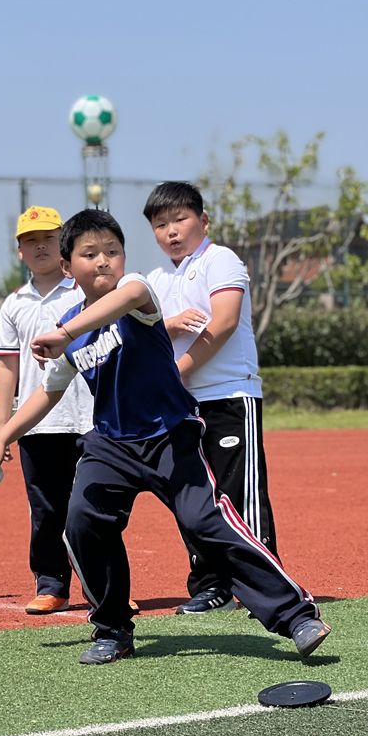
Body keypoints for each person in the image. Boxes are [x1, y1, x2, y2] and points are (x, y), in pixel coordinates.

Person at [0, 209, 330, 665]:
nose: (103, 260)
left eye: (112, 251)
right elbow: (48, 393)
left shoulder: (136, 293)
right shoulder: (73, 332)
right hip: (111, 445)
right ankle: (112, 628)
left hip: (170, 436)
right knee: (81, 522)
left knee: (208, 524)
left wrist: (63, 333)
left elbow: (130, 296)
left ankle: (295, 615)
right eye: (89, 254)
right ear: (67, 267)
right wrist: (1, 436)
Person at [144, 181, 282, 615]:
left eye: (180, 219)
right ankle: (211, 585)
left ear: (203, 221)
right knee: (194, 497)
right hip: (181, 405)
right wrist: (168, 334)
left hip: (228, 394)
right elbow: (142, 340)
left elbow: (222, 324)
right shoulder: (154, 280)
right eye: (160, 224)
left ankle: (264, 585)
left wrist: (175, 373)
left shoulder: (220, 260)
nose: (171, 231)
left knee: (240, 492)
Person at [0, 207, 93, 614]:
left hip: (89, 419)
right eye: (30, 240)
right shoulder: (13, 304)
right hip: (38, 424)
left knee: (93, 507)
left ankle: (105, 587)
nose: (39, 246)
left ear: (63, 245)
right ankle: (51, 584)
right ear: (19, 250)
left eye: (48, 239)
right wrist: (4, 429)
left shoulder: (87, 293)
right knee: (46, 511)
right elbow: (7, 366)